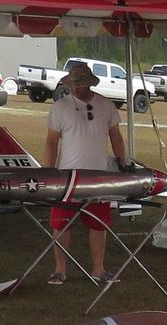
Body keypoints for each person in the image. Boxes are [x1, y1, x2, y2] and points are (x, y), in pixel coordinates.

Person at [43, 61, 129, 284]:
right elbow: (51, 141)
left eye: (79, 84)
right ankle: (59, 269)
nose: (75, 89)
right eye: (72, 84)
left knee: (99, 224)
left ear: (89, 84)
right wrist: (48, 171)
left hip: (98, 176)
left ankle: (98, 269)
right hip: (67, 176)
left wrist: (122, 162)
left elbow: (116, 136)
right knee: (61, 223)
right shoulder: (60, 107)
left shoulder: (105, 105)